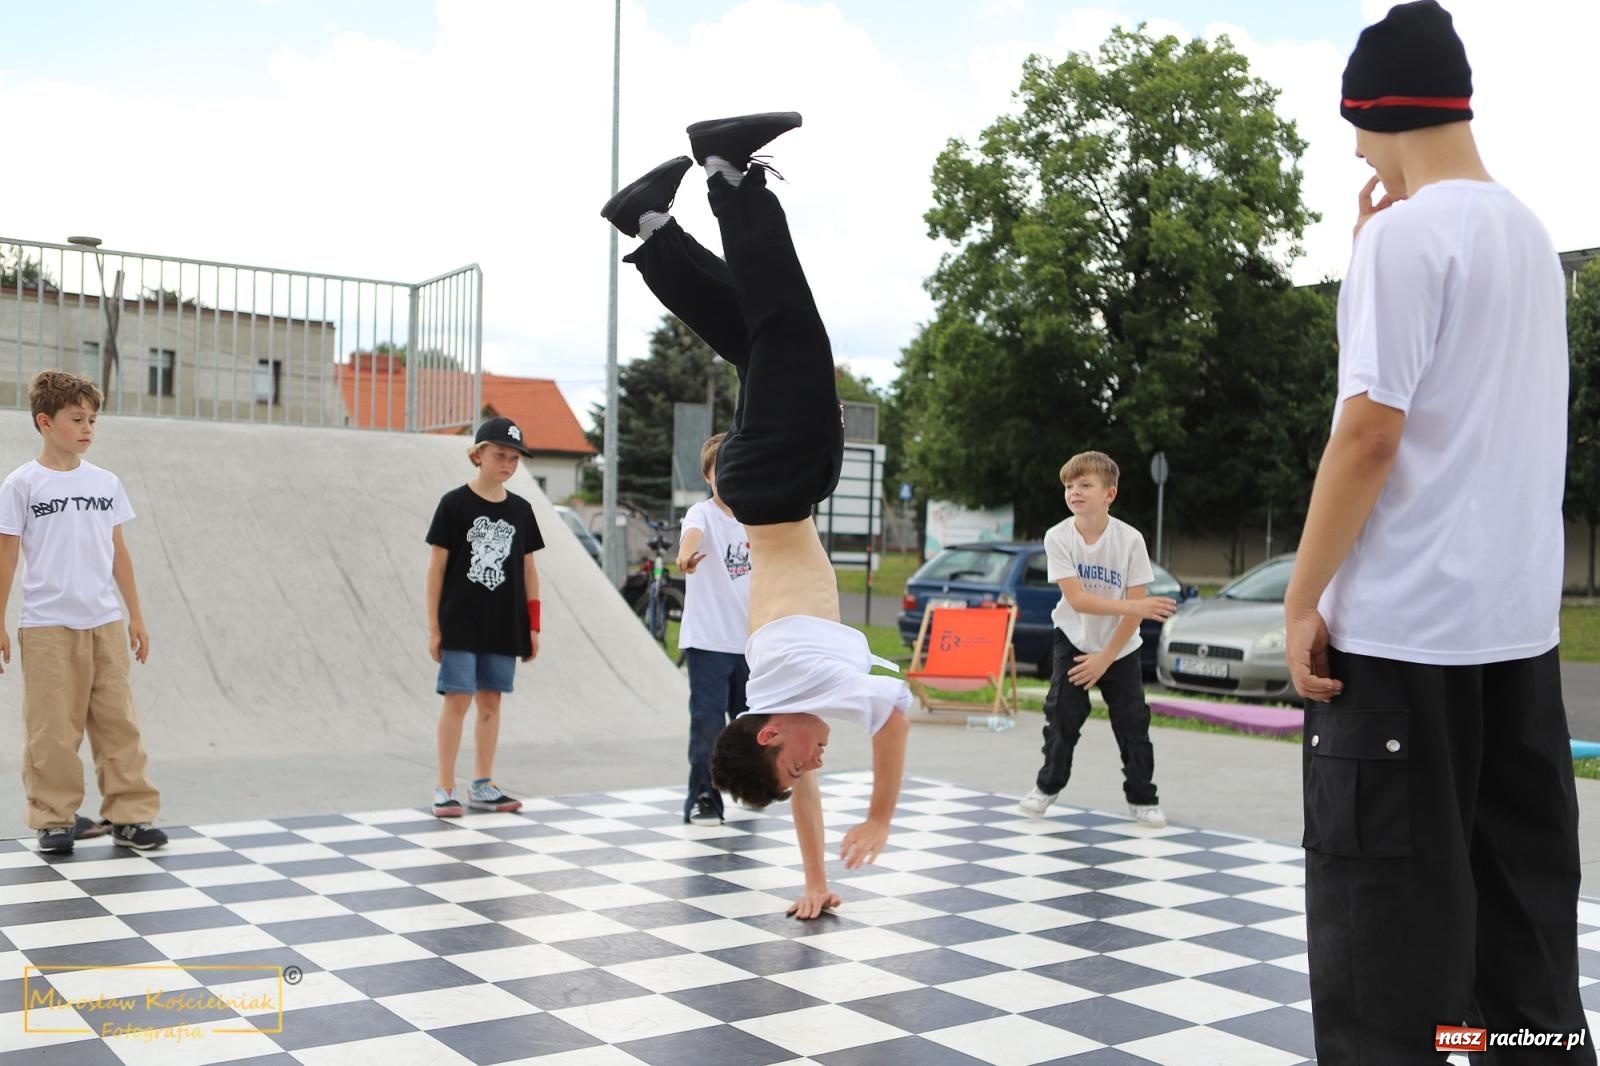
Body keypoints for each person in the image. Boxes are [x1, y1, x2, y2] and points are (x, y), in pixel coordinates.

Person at [1283, 3, 1593, 1061]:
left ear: (1378, 110)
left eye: (1355, 129)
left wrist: (1300, 597)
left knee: (1390, 966)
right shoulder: (1529, 236)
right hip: (1514, 643)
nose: (1357, 150)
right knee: (1522, 953)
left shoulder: (1406, 239)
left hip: (1401, 648)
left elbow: (1368, 436)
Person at [601, 112, 911, 919]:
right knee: (753, 335)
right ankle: (649, 225)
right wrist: (814, 878)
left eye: (798, 764)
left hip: (777, 478)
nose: (814, 766)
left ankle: (729, 174)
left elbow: (898, 711)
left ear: (771, 735)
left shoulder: (802, 685)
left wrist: (881, 813)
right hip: (764, 481)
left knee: (785, 322)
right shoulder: (778, 699)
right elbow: (801, 784)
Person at [0, 370, 166, 854]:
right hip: (47, 625)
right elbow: (7, 555)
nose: (88, 428)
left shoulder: (106, 483)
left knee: (120, 723)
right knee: (51, 728)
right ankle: (54, 819)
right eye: (77, 418)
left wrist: (135, 616)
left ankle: (130, 816)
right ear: (45, 422)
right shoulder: (22, 484)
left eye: (93, 419)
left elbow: (119, 552)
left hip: (105, 622)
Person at [1018, 452, 1175, 827]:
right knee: (1062, 716)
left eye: (1085, 485)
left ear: (1109, 494)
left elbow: (1134, 611)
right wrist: (1131, 609)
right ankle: (1047, 787)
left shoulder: (1130, 540)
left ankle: (1143, 799)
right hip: (1072, 638)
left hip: (1121, 647)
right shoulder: (1058, 536)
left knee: (1133, 722)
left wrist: (1106, 657)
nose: (1075, 492)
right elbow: (1078, 600)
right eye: (1069, 486)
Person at [425, 416, 543, 818]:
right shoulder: (454, 504)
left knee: (491, 701)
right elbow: (436, 569)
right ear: (477, 455)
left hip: (503, 623)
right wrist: (434, 626)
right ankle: (444, 786)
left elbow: (529, 571)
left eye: (514, 459)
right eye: (499, 456)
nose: (507, 464)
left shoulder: (521, 510)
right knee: (457, 699)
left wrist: (533, 625)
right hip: (460, 621)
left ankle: (483, 783)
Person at [675, 432, 752, 827]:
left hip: (750, 643)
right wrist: (686, 556)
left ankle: (750, 787)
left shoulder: (758, 519)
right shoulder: (701, 514)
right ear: (709, 476)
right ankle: (704, 795)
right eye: (721, 470)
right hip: (708, 641)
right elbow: (689, 541)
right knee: (707, 723)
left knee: (749, 723)